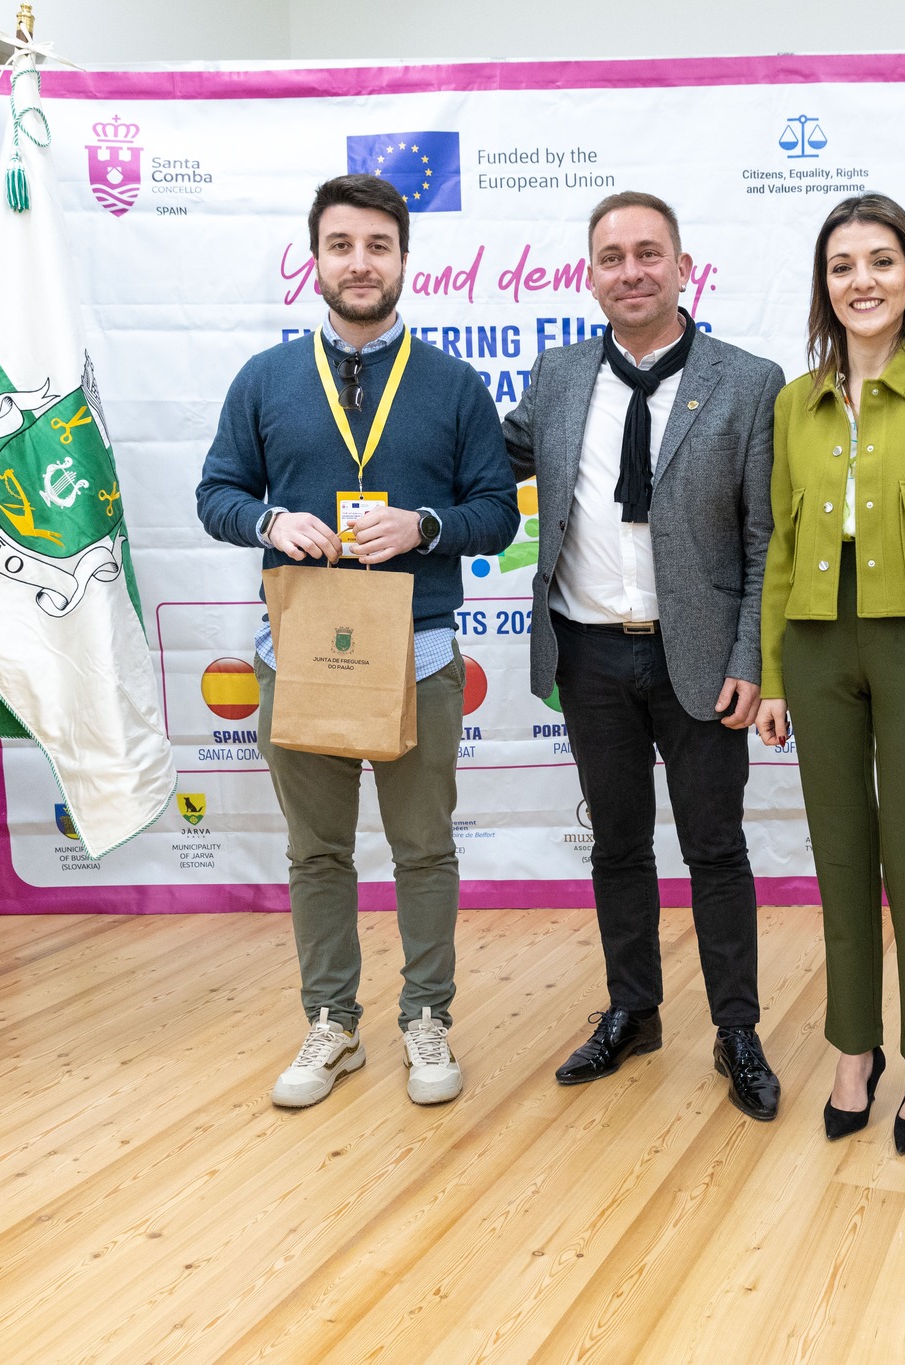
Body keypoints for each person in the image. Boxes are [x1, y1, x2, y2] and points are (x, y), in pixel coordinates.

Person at [197, 173, 520, 1112]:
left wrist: (426, 525)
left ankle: (427, 1016)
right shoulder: (264, 380)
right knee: (316, 853)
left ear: (404, 259)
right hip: (299, 651)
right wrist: (268, 522)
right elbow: (216, 493)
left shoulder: (453, 384)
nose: (360, 263)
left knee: (423, 849)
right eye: (342, 245)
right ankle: (332, 1021)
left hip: (419, 654)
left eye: (378, 245)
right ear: (316, 260)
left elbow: (498, 512)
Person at [503, 191, 786, 1121]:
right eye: (612, 257)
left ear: (683, 267)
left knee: (717, 848)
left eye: (649, 253)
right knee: (618, 845)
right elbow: (484, 461)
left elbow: (765, 541)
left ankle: (737, 1029)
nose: (632, 271)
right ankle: (634, 1010)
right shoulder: (557, 375)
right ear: (590, 276)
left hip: (698, 658)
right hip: (587, 654)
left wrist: (751, 655)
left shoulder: (749, 382)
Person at [754, 194, 905, 1153]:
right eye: (843, 265)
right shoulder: (795, 401)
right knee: (840, 854)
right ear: (825, 286)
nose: (863, 281)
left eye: (881, 261)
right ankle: (855, 1049)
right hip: (816, 642)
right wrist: (773, 675)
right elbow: (780, 546)